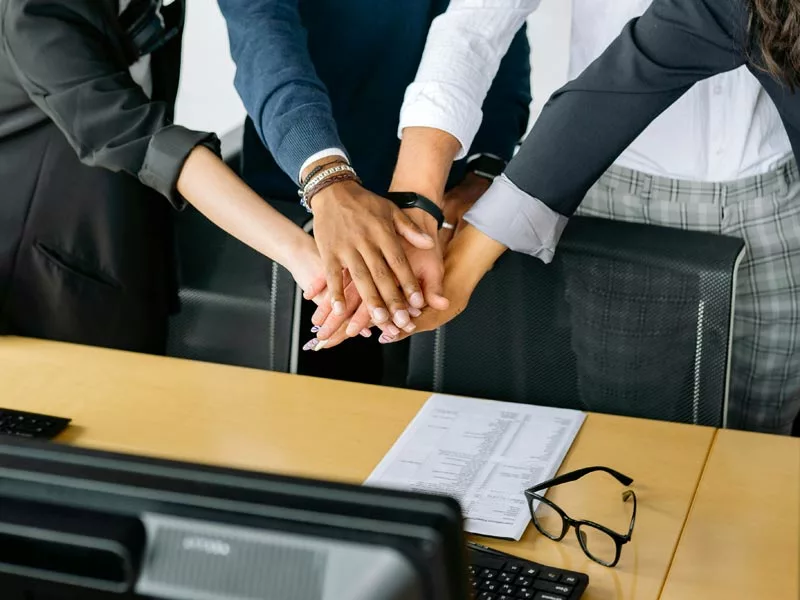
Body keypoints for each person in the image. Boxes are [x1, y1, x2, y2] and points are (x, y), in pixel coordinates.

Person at [315, 0, 800, 434]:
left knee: (768, 425)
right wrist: (419, 207)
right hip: (611, 188)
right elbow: (488, 28)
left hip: (780, 193)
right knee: (625, 433)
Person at [217, 0, 531, 379]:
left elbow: (489, 25)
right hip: (304, 207)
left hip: (447, 208)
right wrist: (327, 180)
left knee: (455, 400)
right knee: (323, 400)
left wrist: (485, 169)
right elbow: (263, 38)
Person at [0, 0, 327, 354]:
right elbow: (146, 138)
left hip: (132, 236)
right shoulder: (35, 13)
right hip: (48, 267)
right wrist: (302, 256)